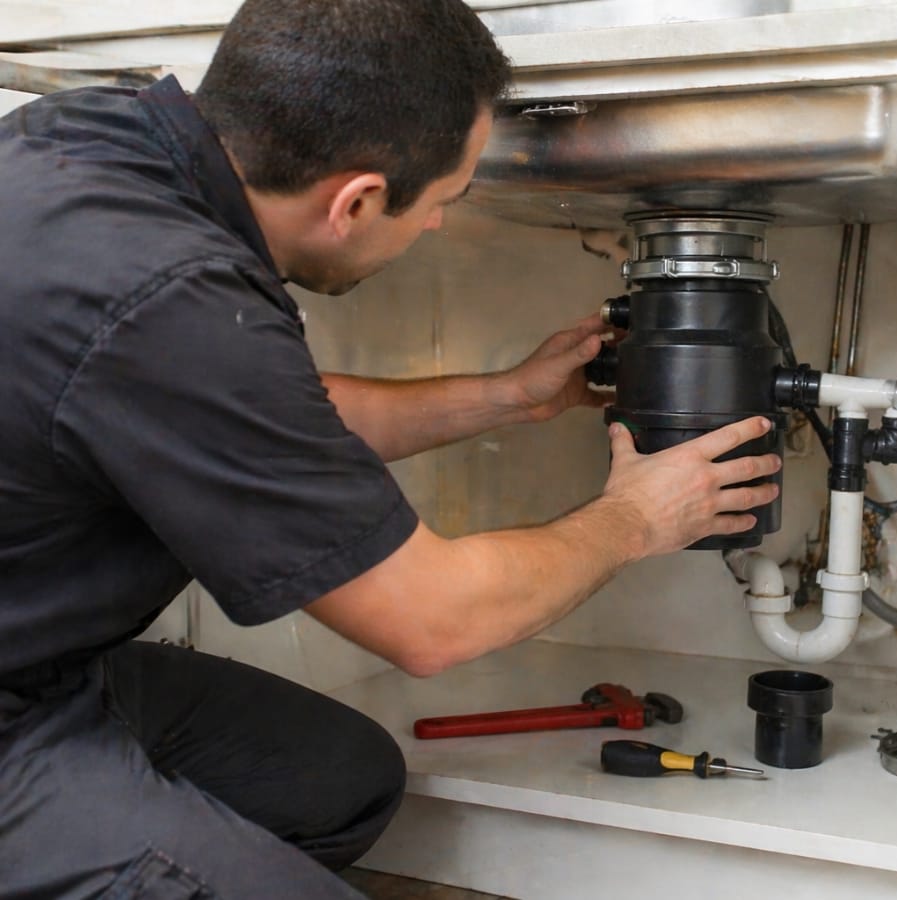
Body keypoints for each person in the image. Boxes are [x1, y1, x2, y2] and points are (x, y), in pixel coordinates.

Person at [0, 0, 780, 897]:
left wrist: (503, 398)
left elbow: (254, 418)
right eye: (444, 200)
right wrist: (637, 516)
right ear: (358, 199)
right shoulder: (173, 297)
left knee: (339, 786)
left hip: (49, 667)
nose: (439, 225)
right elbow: (432, 621)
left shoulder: (92, 143)